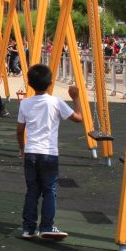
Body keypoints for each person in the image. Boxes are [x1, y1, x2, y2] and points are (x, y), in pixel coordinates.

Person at [16, 64, 83, 239]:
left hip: (31, 152)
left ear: (29, 84)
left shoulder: (25, 104)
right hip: (49, 153)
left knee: (32, 190)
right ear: (50, 82)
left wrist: (22, 149)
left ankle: (28, 228)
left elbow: (19, 130)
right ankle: (46, 225)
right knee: (49, 189)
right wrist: (76, 98)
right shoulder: (56, 102)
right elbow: (79, 118)